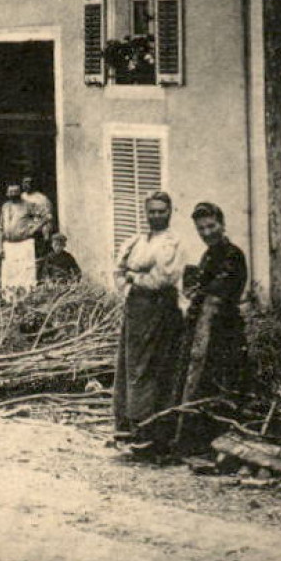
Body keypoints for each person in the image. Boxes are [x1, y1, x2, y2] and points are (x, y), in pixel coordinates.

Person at [112, 191, 188, 461]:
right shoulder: (135, 241)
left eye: (161, 211)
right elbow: (118, 273)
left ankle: (154, 435)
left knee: (155, 368)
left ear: (170, 212)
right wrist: (132, 279)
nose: (156, 215)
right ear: (146, 213)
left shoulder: (173, 243)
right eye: (152, 211)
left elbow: (163, 279)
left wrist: (135, 276)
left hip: (161, 312)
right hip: (136, 310)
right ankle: (132, 429)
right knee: (132, 368)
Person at [173, 202, 251, 459]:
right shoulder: (208, 256)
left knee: (221, 385)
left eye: (211, 226)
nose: (207, 232)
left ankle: (221, 446)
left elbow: (219, 292)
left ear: (222, 224)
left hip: (224, 332)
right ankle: (196, 445)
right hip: (203, 330)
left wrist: (198, 294)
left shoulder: (233, 255)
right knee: (199, 384)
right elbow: (197, 289)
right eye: (201, 228)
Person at [0, 183, 41, 294]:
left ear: (20, 192)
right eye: (11, 192)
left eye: (16, 191)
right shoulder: (5, 206)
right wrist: (0, 247)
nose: (13, 194)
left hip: (24, 243)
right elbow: (0, 228)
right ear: (7, 193)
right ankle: (9, 298)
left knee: (25, 272)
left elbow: (45, 217)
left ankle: (27, 297)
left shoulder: (28, 205)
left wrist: (33, 229)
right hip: (8, 244)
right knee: (9, 273)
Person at [21, 175, 55, 259]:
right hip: (23, 232)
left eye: (29, 182)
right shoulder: (21, 197)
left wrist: (45, 234)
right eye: (24, 182)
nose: (26, 185)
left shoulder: (42, 199)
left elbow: (48, 217)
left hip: (37, 232)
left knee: (37, 258)